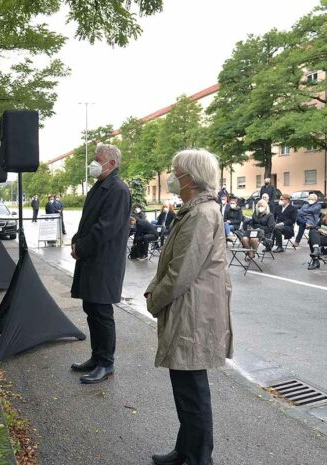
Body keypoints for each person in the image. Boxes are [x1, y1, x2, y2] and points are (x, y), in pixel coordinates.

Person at [144, 149, 233, 465]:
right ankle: (186, 451)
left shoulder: (200, 214)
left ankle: (197, 458)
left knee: (192, 392)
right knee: (186, 389)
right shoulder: (195, 210)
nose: (171, 176)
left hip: (192, 311)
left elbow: (181, 272)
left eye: (175, 170)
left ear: (189, 178)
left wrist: (155, 300)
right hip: (190, 309)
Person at [70, 144, 131, 384]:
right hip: (92, 260)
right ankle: (97, 357)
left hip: (104, 263)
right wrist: (77, 241)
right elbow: (87, 222)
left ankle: (106, 363)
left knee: (102, 312)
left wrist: (80, 248)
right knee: (92, 310)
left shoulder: (117, 190)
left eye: (98, 160)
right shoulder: (101, 186)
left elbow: (104, 229)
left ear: (112, 163)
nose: (93, 164)